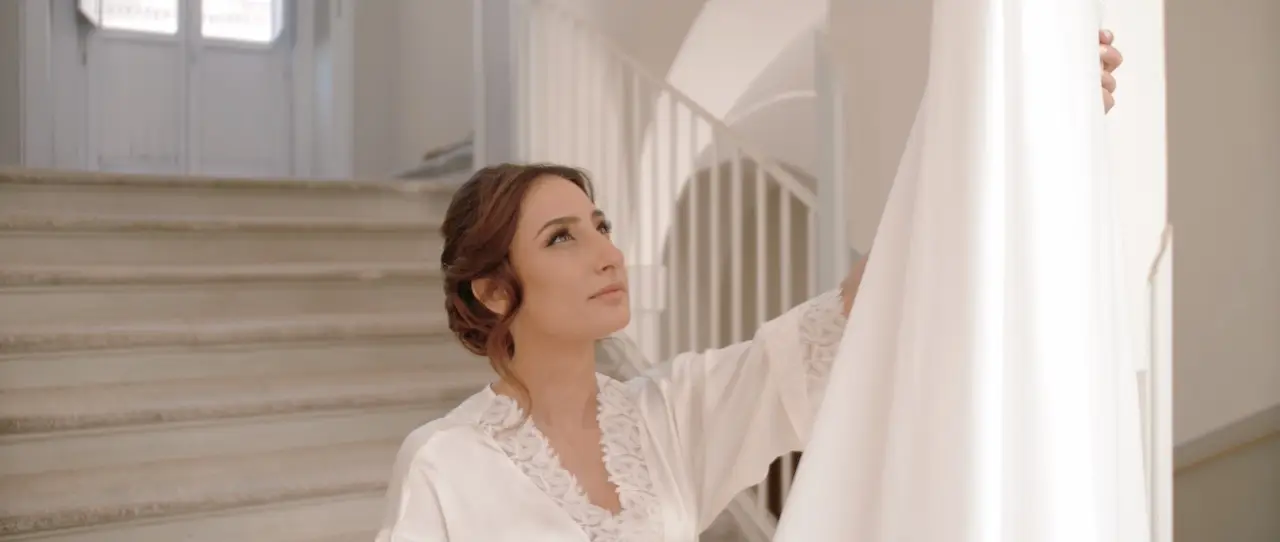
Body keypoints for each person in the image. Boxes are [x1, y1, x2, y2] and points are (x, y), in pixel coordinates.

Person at [375, 32, 1124, 542]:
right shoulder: (445, 464)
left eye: (601, 226)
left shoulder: (669, 417)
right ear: (494, 292)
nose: (607, 253)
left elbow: (857, 308)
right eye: (562, 238)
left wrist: (1006, 113)